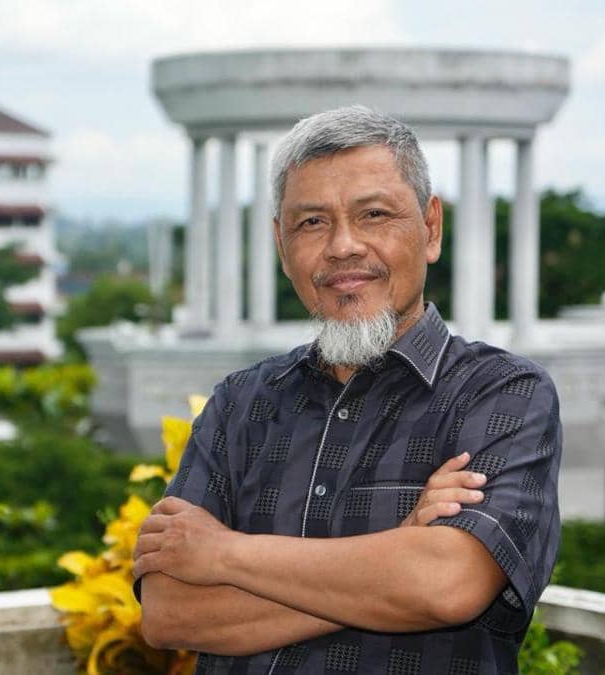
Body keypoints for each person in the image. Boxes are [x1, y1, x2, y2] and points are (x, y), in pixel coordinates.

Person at [133, 105, 562, 674]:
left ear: (431, 228)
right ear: (281, 244)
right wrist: (399, 547)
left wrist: (222, 553)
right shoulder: (239, 405)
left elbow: (447, 583)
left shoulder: (502, 395)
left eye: (374, 214)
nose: (343, 247)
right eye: (312, 222)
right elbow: (171, 614)